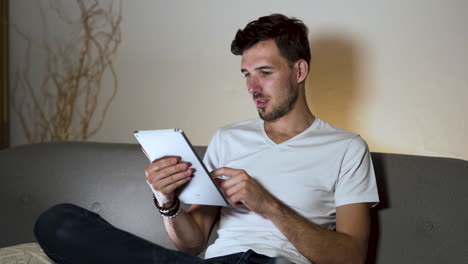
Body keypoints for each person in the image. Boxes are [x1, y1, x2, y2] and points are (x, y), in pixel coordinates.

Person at [34, 14, 379, 264]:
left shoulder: (346, 149)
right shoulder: (229, 139)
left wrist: (267, 204)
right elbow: (192, 241)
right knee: (57, 222)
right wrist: (167, 202)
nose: (252, 88)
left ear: (299, 71)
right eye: (246, 74)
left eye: (265, 73)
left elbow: (350, 257)